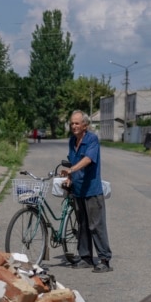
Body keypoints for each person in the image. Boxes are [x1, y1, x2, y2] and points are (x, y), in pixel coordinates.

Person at [60, 110, 112, 273]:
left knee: (96, 225)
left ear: (85, 125)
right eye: (72, 123)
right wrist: (70, 178)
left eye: (77, 123)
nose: (73, 126)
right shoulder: (72, 141)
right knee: (82, 225)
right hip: (78, 189)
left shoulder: (92, 140)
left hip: (91, 190)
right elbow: (72, 160)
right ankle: (86, 257)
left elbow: (88, 159)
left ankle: (104, 259)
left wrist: (72, 170)